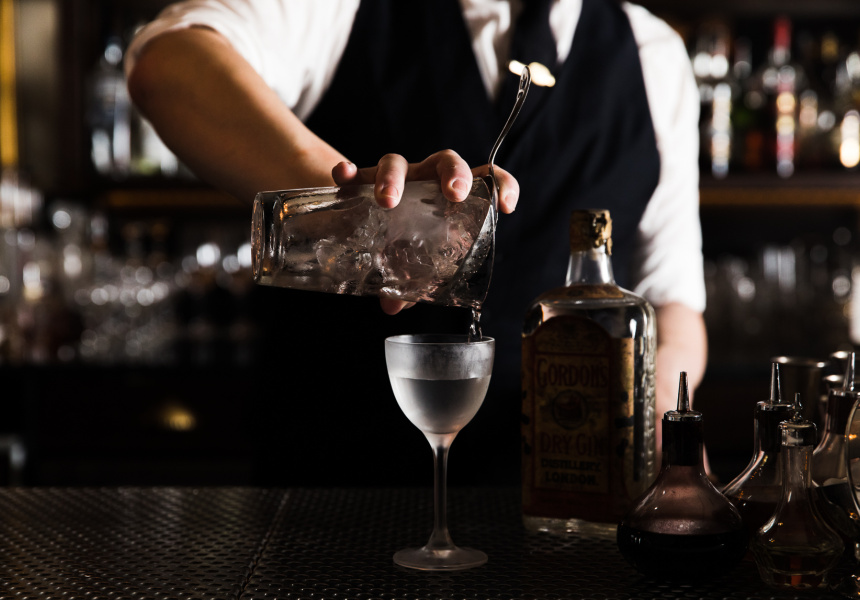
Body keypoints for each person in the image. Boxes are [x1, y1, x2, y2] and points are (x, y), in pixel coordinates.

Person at [125, 0, 708, 485]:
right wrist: (361, 214)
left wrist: (654, 420)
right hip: (335, 488)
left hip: (564, 497)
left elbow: (673, 302)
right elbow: (169, 64)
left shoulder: (653, 53)